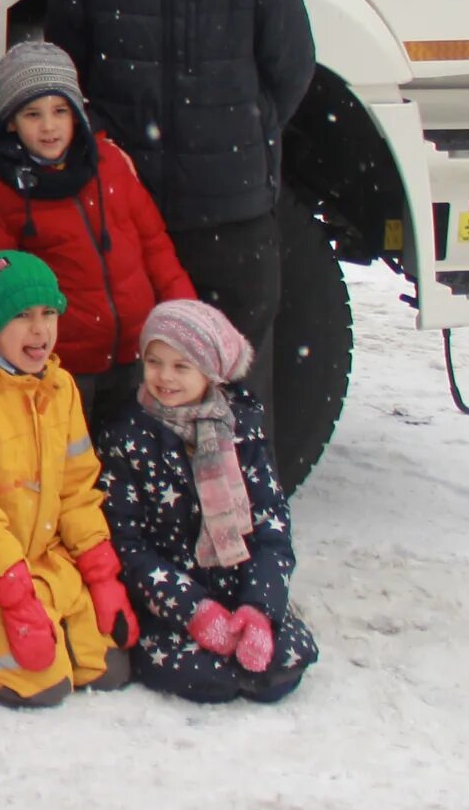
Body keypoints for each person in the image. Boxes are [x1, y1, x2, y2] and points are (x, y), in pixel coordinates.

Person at [44, 0, 317, 426]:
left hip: (232, 213)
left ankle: (240, 518)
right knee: (136, 381)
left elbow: (289, 69)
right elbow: (66, 74)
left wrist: (239, 140)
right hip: (129, 213)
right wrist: (109, 150)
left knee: (237, 382)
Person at [0, 251, 140, 710]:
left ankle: (46, 618)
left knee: (108, 668)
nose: (40, 330)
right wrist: (14, 594)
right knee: (37, 684)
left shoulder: (59, 387)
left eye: (48, 314)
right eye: (21, 316)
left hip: (42, 554)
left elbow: (78, 489)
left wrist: (101, 574)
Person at [96, 299, 319, 705]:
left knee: (284, 658)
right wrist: (194, 610)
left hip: (236, 589)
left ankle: (253, 626)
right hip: (169, 602)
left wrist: (258, 608)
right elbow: (127, 544)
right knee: (203, 674)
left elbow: (271, 524)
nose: (164, 377)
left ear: (212, 372)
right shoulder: (128, 436)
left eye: (182, 366)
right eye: (154, 361)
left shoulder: (241, 428)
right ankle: (216, 649)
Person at [0, 42, 197, 431]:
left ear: (77, 115)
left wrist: (185, 321)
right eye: (32, 114)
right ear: (9, 122)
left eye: (60, 111)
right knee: (73, 471)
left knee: (134, 469)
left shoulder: (110, 165)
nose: (49, 126)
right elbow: (5, 291)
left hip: (136, 353)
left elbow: (155, 246)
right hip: (63, 367)